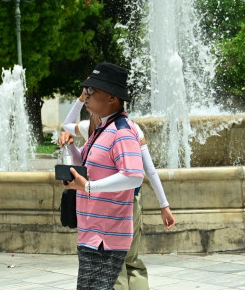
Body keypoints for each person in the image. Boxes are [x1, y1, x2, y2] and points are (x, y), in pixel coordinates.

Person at [60, 90, 176, 290]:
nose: (88, 98)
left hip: (113, 207)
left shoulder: (113, 129)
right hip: (128, 204)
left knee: (116, 266)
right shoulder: (110, 129)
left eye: (92, 94)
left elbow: (137, 173)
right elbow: (150, 170)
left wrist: (80, 99)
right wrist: (163, 205)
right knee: (131, 262)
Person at [62, 62, 144, 290]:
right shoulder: (101, 129)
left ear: (112, 98)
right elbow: (86, 167)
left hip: (106, 237)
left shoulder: (122, 131)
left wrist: (88, 187)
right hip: (91, 231)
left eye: (92, 92)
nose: (86, 97)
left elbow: (134, 176)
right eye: (86, 91)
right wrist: (70, 149)